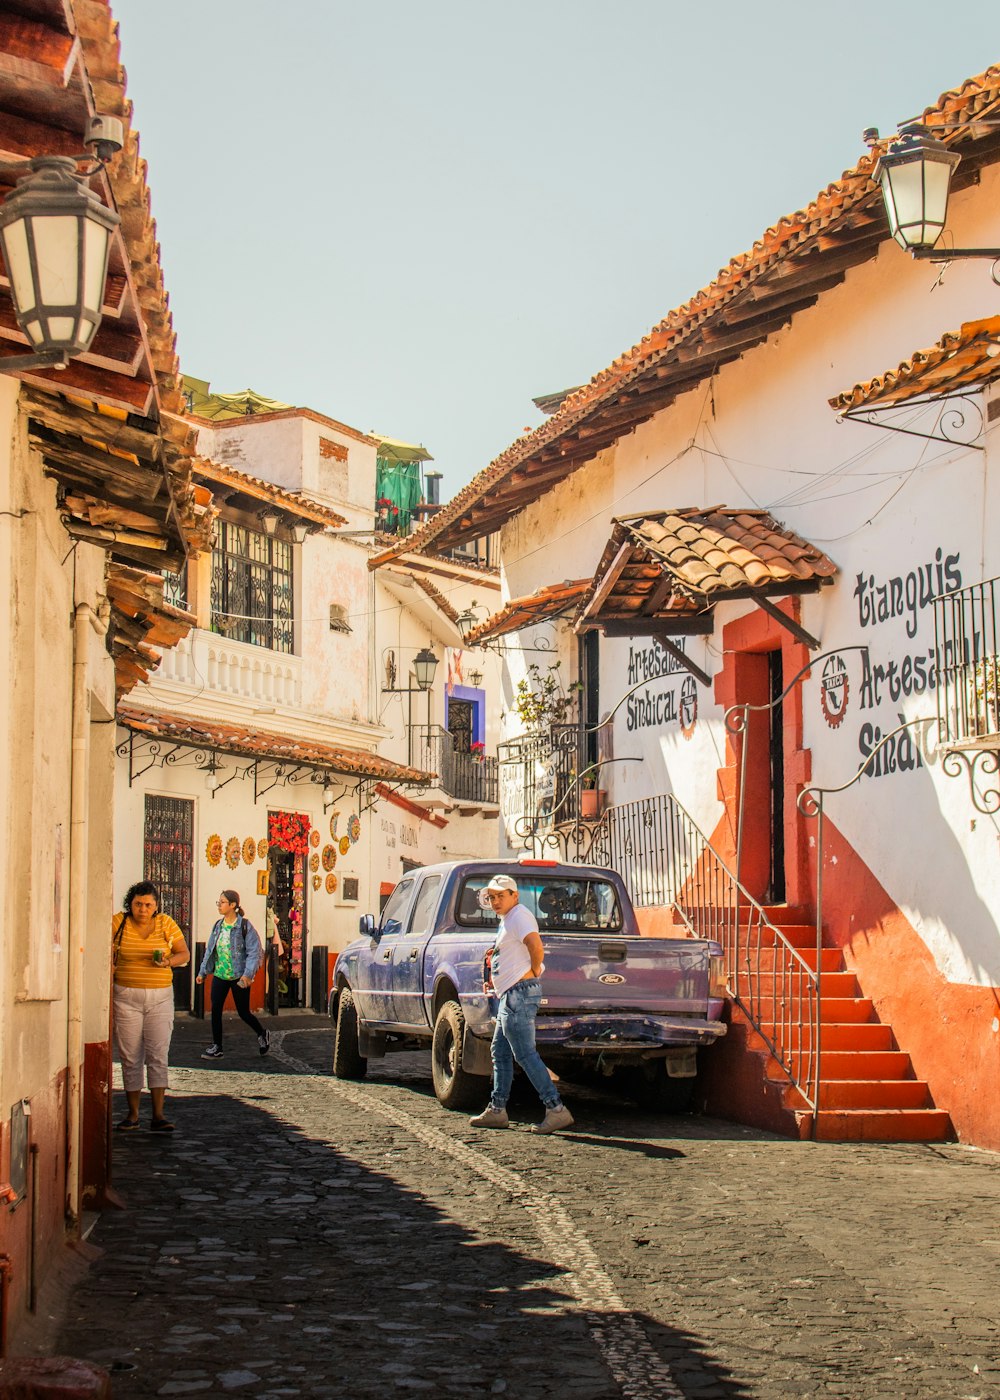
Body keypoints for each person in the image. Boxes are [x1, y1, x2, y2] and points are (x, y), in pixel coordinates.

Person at [470, 874, 574, 1135]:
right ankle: (497, 1110)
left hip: (519, 993)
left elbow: (535, 946)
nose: (495, 901)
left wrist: (532, 972)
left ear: (514, 895)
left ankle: (556, 1109)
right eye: (492, 897)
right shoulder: (509, 920)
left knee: (524, 1054)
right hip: (510, 993)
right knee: (501, 1052)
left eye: (500, 896)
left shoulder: (519, 916)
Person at [112, 881, 190, 1132]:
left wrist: (168, 961)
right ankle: (133, 1114)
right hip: (125, 997)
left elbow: (184, 954)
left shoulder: (166, 923)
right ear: (130, 904)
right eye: (138, 904)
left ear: (156, 905)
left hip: (160, 998)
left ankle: (158, 1114)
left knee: (158, 1054)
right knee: (130, 1055)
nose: (142, 909)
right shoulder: (118, 923)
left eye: (147, 904)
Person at [197, 890, 269, 1059]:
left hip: (239, 976)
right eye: (219, 902)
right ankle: (218, 1047)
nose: (219, 905)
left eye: (222, 902)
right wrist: (202, 972)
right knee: (216, 1010)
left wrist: (247, 975)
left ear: (233, 905)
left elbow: (254, 952)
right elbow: (210, 950)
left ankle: (262, 1033)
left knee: (243, 1012)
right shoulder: (218, 925)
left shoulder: (245, 926)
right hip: (220, 975)